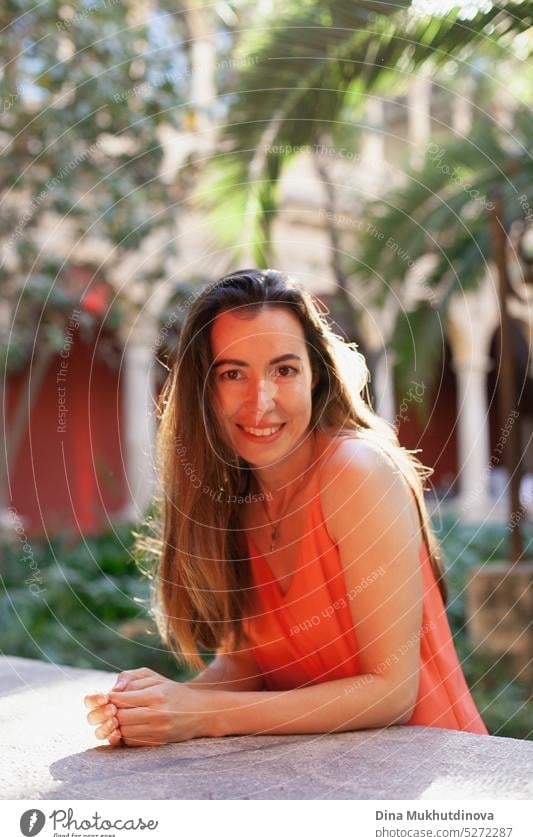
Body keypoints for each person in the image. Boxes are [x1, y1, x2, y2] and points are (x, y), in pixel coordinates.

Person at [84, 268, 488, 746]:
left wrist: (203, 714)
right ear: (204, 391)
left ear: (314, 376)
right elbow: (249, 661)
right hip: (317, 778)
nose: (262, 400)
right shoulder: (234, 496)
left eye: (284, 369)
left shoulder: (356, 473)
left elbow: (392, 693)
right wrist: (159, 707)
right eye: (233, 374)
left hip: (426, 783)